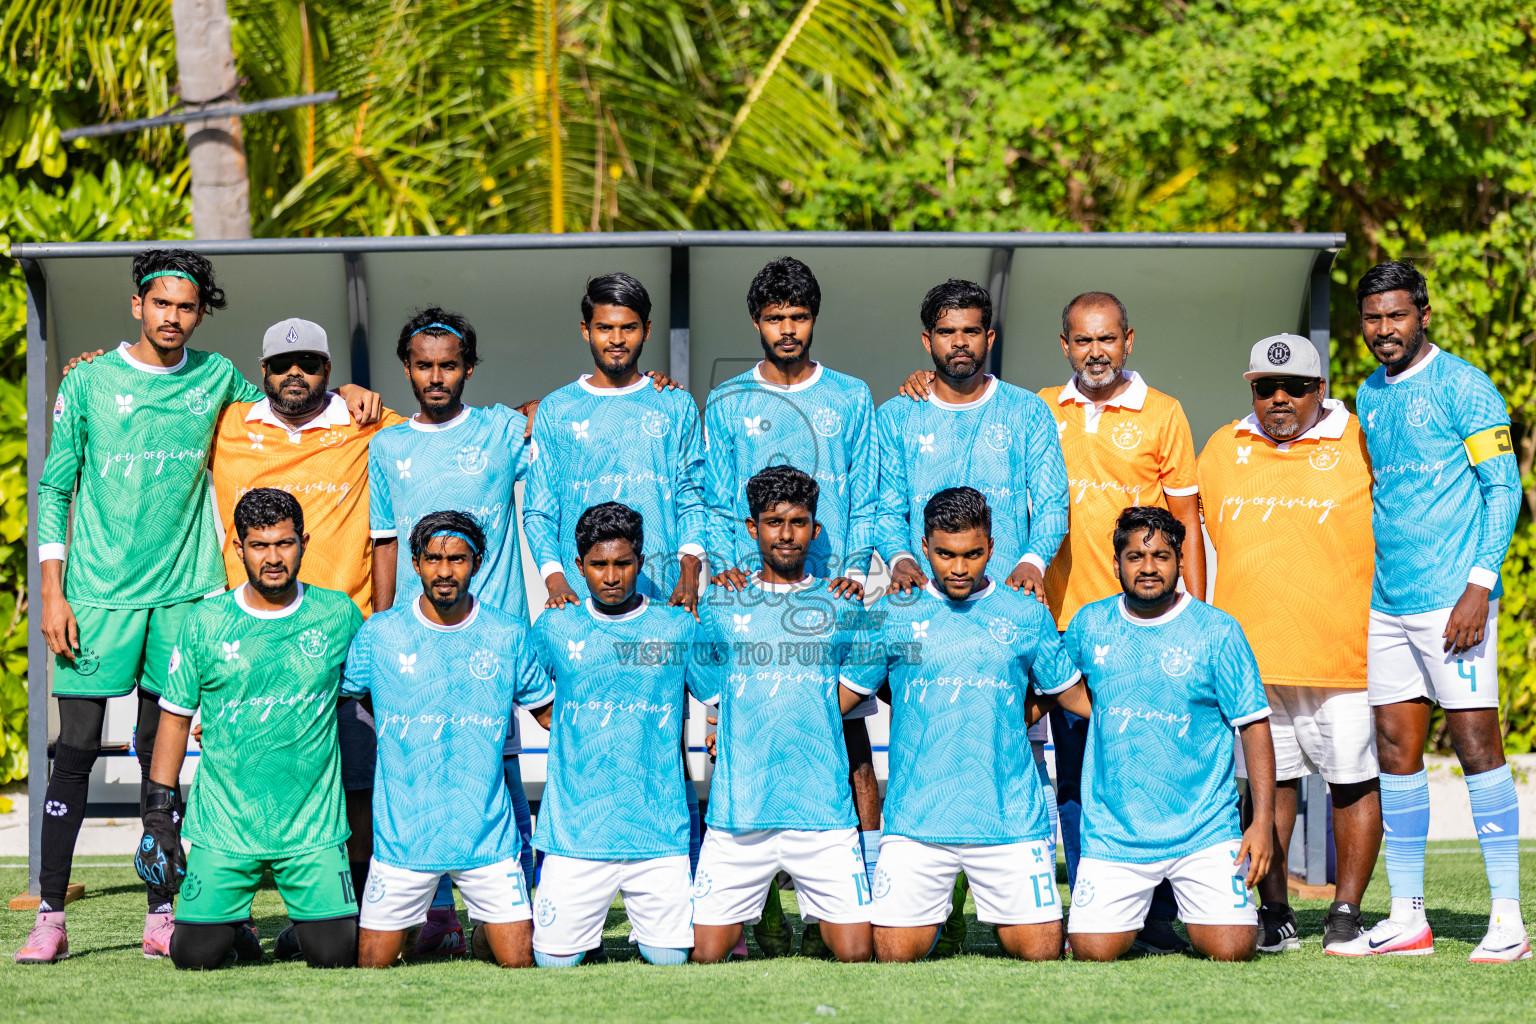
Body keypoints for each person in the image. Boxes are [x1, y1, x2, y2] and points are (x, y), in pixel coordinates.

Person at [19, 250, 374, 964]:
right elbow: (56, 487)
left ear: (200, 314)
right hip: (94, 594)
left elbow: (287, 403)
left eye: (186, 307)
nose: (173, 318)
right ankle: (50, 914)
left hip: (181, 595)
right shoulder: (89, 379)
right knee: (75, 753)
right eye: (161, 305)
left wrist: (354, 393)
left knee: (161, 754)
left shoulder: (217, 380)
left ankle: (162, 907)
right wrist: (53, 590)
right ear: (137, 306)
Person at [900, 288, 1202, 954]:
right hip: (1054, 626)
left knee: (1140, 760)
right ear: (1065, 346)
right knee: (1067, 773)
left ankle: (1154, 911)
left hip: (1139, 623)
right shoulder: (1041, 407)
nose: (1095, 352)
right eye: (1082, 341)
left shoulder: (1162, 413)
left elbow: (1185, 523)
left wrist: (1192, 616)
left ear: (1128, 340)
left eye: (1107, 339)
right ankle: (1087, 903)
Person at [1333, 261, 1526, 962]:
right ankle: (1409, 917)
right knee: (1395, 752)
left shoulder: (1465, 386)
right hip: (1390, 603)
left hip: (1457, 602)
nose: (1384, 331)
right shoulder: (1368, 395)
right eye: (1373, 319)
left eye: (1396, 316)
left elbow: (1502, 489)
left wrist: (1480, 583)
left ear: (1423, 314)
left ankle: (1508, 918)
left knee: (1477, 748)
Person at [881, 278, 1069, 953]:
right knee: (931, 744)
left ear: (989, 338)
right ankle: (934, 895)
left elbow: (1051, 504)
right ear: (927, 339)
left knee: (1018, 748)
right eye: (946, 332)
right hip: (931, 613)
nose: (959, 343)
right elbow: (882, 502)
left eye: (971, 331)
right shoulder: (895, 415)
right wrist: (902, 558)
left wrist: (1033, 563)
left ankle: (1013, 885)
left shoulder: (1026, 412)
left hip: (1010, 621)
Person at [702, 256, 882, 956]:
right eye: (774, 318)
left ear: (813, 320)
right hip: (752, 593)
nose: (787, 329)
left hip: (832, 589)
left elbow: (863, 493)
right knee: (748, 725)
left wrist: (857, 567)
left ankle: (849, 888)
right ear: (756, 323)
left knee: (850, 741)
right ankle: (758, 899)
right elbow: (720, 498)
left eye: (798, 317)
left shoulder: (850, 395)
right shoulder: (725, 403)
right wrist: (730, 572)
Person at [1197, 334, 1382, 953]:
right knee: (1268, 788)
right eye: (1265, 387)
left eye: (1296, 387)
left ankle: (1347, 910)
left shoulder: (1359, 441)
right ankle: (1274, 910)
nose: (1280, 399)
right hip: (1250, 658)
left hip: (1343, 655)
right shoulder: (1224, 447)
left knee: (1351, 782)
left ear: (1320, 389)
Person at [844, 487, 1084, 962]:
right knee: (892, 958)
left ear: (991, 548)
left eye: (973, 554)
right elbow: (843, 696)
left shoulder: (1026, 613)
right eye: (946, 555)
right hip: (917, 823)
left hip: (1009, 820)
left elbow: (1070, 695)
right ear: (925, 547)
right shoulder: (894, 613)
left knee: (1042, 956)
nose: (959, 568)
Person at [133, 488, 364, 969]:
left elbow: (368, 699)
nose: (273, 558)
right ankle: (234, 929)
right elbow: (175, 719)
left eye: (284, 543)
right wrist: (159, 813)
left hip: (311, 828)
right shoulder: (205, 621)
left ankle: (300, 932)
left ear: (304, 542)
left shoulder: (338, 614)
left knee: (337, 955)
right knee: (195, 957)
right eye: (260, 545)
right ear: (239, 549)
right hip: (225, 825)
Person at [366, 308, 534, 957]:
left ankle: (518, 895)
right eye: (424, 365)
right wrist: (384, 631)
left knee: (498, 769)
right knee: (422, 768)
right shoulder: (387, 446)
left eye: (449, 365)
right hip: (416, 642)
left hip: (494, 644)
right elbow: (384, 544)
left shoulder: (502, 430)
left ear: (469, 367)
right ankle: (438, 913)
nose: (436, 377)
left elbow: (560, 416)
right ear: (407, 368)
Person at [1060, 506, 1275, 962]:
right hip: (1115, 832)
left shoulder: (1218, 631)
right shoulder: (1088, 624)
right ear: (1116, 563)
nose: (1149, 567)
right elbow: (1063, 690)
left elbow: (1254, 725)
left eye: (1161, 555)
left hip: (1204, 829)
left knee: (1232, 949)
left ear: (1180, 561)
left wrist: (1260, 823)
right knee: (1093, 952)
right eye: (1136, 556)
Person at [343, 511, 554, 968]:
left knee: (519, 962)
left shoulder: (507, 634)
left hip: (487, 841)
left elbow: (551, 716)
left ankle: (482, 934)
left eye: (457, 558)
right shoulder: (379, 635)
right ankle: (424, 925)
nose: (444, 571)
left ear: (476, 562)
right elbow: (332, 701)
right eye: (433, 558)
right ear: (415, 563)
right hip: (403, 842)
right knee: (370, 967)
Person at [690, 466, 874, 964]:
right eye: (773, 522)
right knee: (703, 956)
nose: (786, 534)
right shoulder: (722, 601)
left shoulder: (842, 604)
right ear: (753, 529)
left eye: (798, 522)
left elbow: (861, 677)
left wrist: (807, 707)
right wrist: (728, 720)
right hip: (740, 812)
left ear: (815, 528)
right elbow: (707, 682)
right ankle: (765, 914)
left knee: (857, 953)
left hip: (821, 812)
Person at [527, 503, 697, 967]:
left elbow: (720, 692)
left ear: (639, 563)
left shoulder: (676, 626)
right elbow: (524, 683)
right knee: (554, 964)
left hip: (656, 832)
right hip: (576, 833)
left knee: (670, 961)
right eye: (598, 565)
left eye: (622, 563)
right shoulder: (555, 627)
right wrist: (555, 716)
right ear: (579, 566)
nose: (611, 576)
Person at [523, 272, 707, 611]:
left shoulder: (675, 404)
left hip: (664, 595)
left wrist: (690, 571)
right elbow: (539, 510)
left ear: (647, 330)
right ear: (586, 330)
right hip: (579, 600)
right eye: (605, 327)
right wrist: (556, 578)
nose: (617, 339)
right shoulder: (557, 409)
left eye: (629, 327)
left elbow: (693, 498)